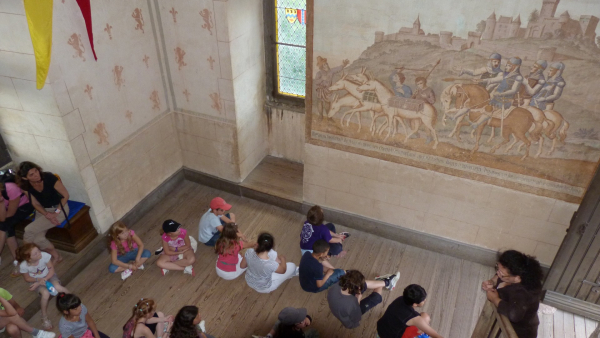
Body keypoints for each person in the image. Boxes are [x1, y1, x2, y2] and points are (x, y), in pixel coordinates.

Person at [481, 250, 543, 338]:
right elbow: (501, 273)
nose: (498, 273)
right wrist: (493, 281)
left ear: (517, 278)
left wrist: (495, 299)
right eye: (497, 268)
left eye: (501, 274)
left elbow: (514, 315)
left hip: (519, 332)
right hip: (502, 322)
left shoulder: (523, 293)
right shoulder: (511, 275)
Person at [16, 161, 69, 263]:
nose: (36, 175)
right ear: (25, 178)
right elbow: (35, 203)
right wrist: (46, 214)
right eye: (32, 174)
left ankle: (25, 260)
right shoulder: (25, 185)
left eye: (36, 171)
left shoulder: (49, 177)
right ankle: (56, 256)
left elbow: (66, 195)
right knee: (38, 239)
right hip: (43, 210)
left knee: (28, 230)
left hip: (60, 208)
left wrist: (55, 213)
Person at [17, 243, 69, 330]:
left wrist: (43, 279)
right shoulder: (24, 266)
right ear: (29, 258)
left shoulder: (45, 256)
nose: (39, 253)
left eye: (38, 250)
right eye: (35, 253)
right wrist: (38, 281)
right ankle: (44, 316)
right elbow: (27, 278)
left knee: (58, 287)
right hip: (36, 280)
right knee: (45, 293)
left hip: (49, 276)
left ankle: (73, 300)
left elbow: (51, 270)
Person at [327, 270, 399, 329]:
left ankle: (386, 282)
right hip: (351, 320)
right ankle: (385, 283)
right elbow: (356, 318)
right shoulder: (351, 303)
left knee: (362, 283)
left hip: (339, 304)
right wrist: (358, 299)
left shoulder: (336, 285)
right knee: (376, 297)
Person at [376, 284, 443, 338]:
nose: (424, 300)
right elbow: (436, 336)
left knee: (424, 318)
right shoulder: (414, 318)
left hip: (380, 330)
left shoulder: (401, 298)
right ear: (414, 304)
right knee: (425, 318)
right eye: (423, 300)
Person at [0, 177, 33, 277]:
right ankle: (18, 259)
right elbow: (2, 218)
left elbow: (10, 213)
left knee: (5, 226)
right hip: (8, 211)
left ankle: (18, 260)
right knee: (5, 226)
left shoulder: (11, 188)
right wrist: (1, 202)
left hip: (25, 206)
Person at [253, 307, 317, 338]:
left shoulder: (283, 324)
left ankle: (269, 336)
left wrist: (307, 318)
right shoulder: (297, 335)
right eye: (302, 321)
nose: (305, 321)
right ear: (295, 325)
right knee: (313, 332)